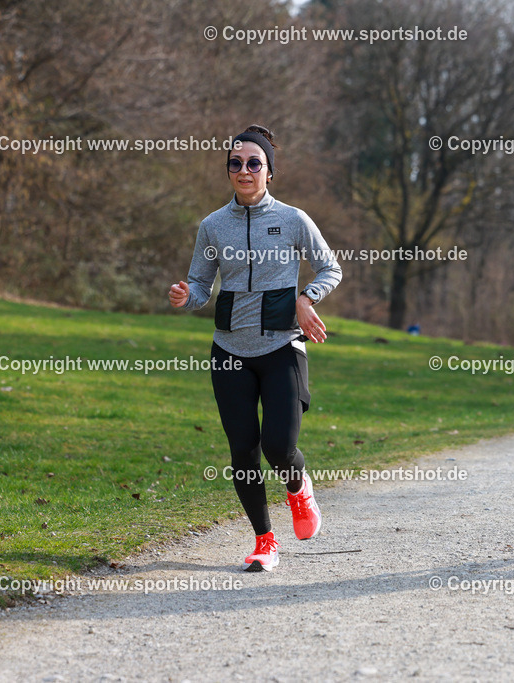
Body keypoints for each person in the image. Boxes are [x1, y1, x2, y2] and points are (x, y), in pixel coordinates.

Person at [169, 125, 342, 571]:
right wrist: (186, 296)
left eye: (253, 163)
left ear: (268, 170)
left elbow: (330, 268)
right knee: (243, 450)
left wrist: (307, 299)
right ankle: (265, 540)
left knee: (279, 447)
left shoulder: (293, 220)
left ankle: (298, 487)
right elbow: (203, 286)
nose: (243, 170)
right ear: (228, 170)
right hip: (229, 351)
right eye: (235, 163)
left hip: (282, 346)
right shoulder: (212, 225)